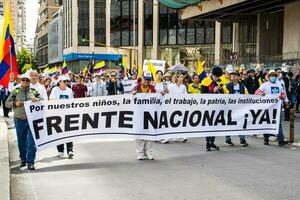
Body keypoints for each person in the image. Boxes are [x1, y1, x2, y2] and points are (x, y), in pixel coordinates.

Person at [5, 74, 42, 170]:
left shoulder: (34, 91)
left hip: (32, 121)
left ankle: (31, 162)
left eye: (27, 80)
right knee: (21, 142)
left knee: (32, 142)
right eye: (23, 80)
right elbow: (6, 103)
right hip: (19, 120)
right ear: (20, 81)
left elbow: (43, 101)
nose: (25, 82)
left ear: (29, 82)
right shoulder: (16, 91)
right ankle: (23, 159)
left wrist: (37, 100)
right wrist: (14, 103)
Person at [255, 70, 289, 146]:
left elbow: (283, 93)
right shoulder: (264, 85)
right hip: (267, 107)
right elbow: (256, 93)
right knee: (266, 122)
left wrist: (285, 100)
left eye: (274, 76)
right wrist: (261, 94)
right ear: (268, 76)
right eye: (271, 76)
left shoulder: (279, 85)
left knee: (278, 123)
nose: (273, 77)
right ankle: (266, 139)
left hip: (277, 107)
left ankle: (281, 140)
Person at [132, 71, 156, 160]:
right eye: (145, 79)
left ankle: (149, 152)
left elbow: (158, 100)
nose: (147, 81)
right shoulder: (136, 88)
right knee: (139, 133)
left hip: (150, 114)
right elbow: (130, 100)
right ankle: (140, 153)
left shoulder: (153, 89)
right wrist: (133, 95)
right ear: (142, 79)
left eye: (149, 80)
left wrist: (162, 95)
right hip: (139, 114)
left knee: (150, 133)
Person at [201, 67, 226, 151]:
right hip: (208, 107)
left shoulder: (220, 81)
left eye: (219, 77)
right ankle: (208, 143)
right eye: (216, 77)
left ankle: (212, 142)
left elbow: (224, 93)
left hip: (217, 106)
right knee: (209, 125)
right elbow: (203, 95)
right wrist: (213, 91)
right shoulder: (205, 81)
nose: (218, 78)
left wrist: (221, 89)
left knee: (215, 125)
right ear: (213, 75)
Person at [49, 76, 75, 158]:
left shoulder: (69, 90)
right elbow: (51, 99)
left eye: (66, 81)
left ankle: (70, 150)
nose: (64, 82)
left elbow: (72, 101)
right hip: (58, 115)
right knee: (59, 133)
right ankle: (60, 151)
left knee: (69, 133)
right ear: (59, 82)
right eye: (63, 81)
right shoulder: (55, 90)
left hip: (67, 114)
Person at [224, 71, 249, 147]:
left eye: (235, 76)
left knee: (241, 123)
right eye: (232, 76)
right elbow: (224, 96)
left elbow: (247, 95)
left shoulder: (242, 86)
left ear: (238, 77)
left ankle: (242, 139)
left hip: (240, 108)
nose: (233, 77)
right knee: (229, 124)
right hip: (230, 108)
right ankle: (227, 139)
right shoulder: (227, 86)